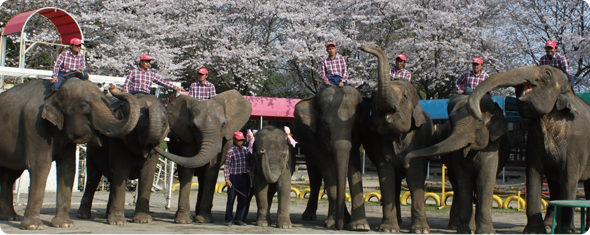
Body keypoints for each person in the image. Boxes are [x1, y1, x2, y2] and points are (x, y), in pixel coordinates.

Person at [224, 132, 252, 226]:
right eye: (239, 140)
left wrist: (248, 171)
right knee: (231, 200)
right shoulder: (230, 152)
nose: (240, 142)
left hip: (244, 177)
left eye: (242, 140)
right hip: (234, 177)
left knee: (243, 199)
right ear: (234, 140)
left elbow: (248, 164)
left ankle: (239, 219)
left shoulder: (246, 150)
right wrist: (227, 179)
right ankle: (228, 220)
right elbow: (227, 166)